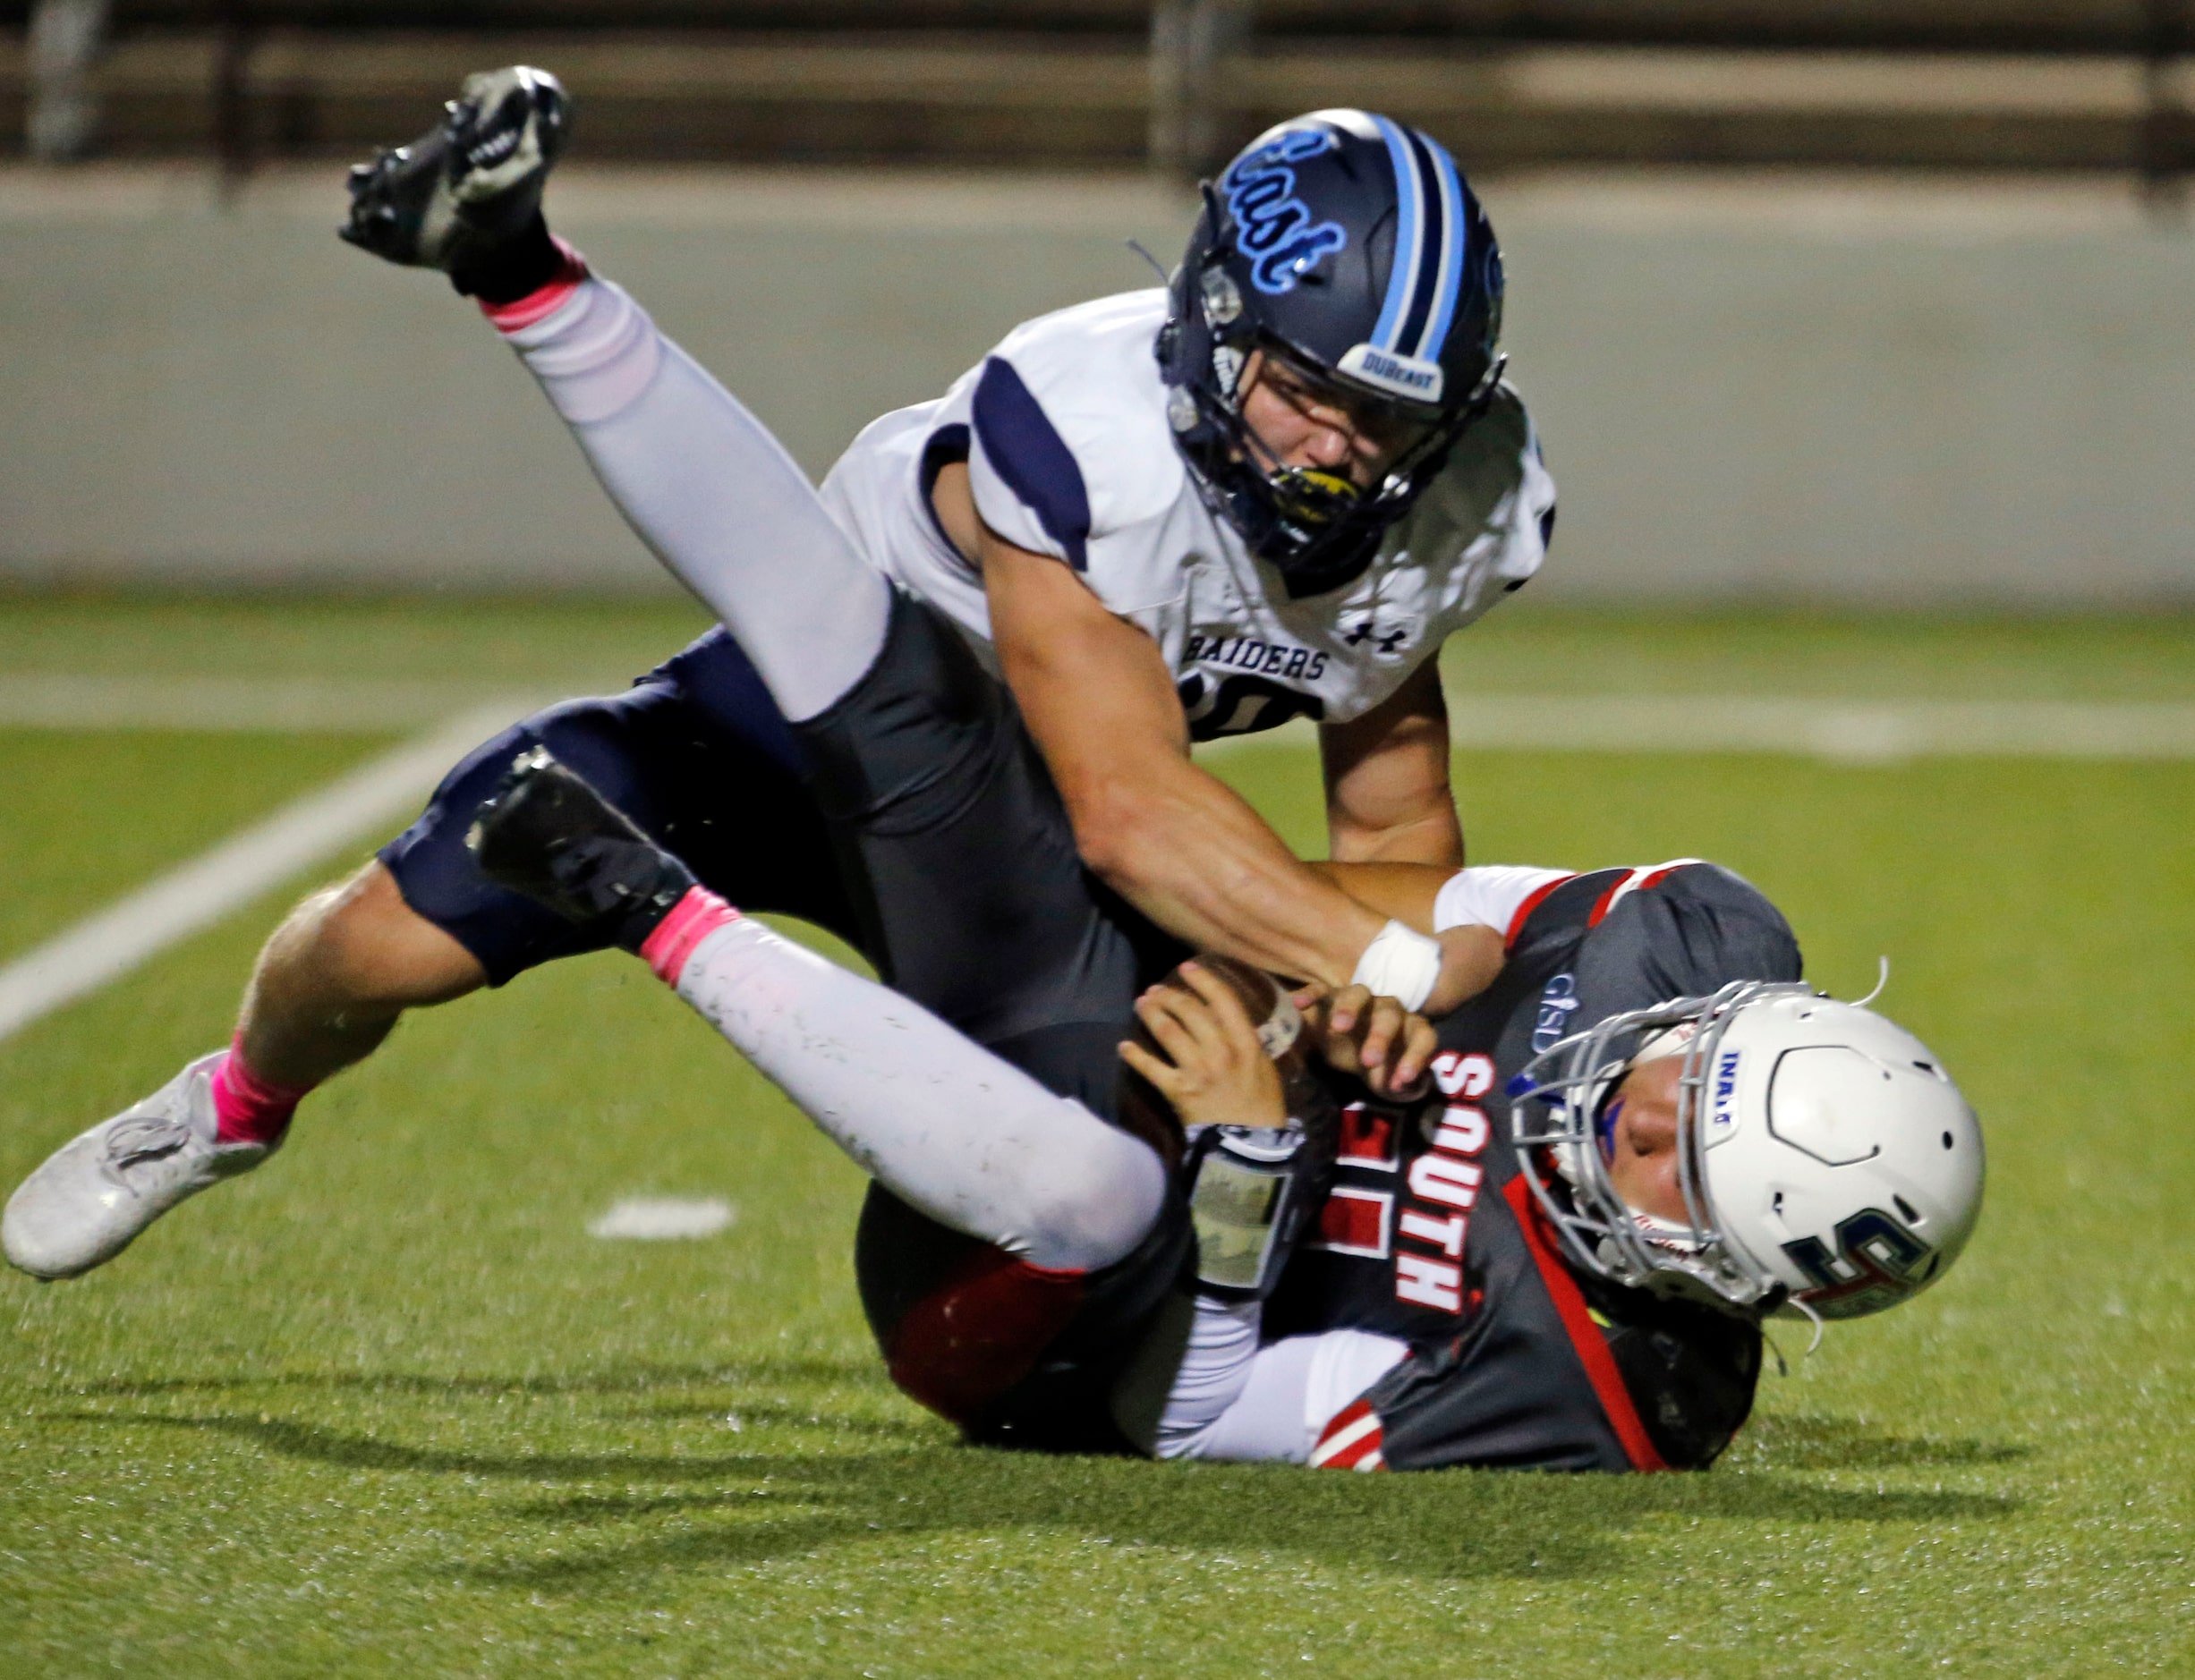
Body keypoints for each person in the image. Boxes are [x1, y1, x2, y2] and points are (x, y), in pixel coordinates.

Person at [6, 68, 1553, 1282]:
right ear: (1216, 330)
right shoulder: (1085, 425)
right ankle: (226, 1109)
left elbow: (1401, 835)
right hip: (812, 733)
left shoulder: (1460, 506)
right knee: (372, 950)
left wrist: (1344, 993)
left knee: (1126, 1179)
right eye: (1307, 393)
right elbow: (1132, 808)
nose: (1343, 451)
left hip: (1012, 870)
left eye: (1388, 422)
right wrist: (1382, 965)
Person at [457, 743, 1985, 1471]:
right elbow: (1454, 902)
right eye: (1679, 1085)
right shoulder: (1699, 936)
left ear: (1721, 1275)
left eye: (1673, 1175)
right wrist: (1361, 980)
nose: (1633, 1122)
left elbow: (1180, 1423)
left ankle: (650, 904)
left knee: (1090, 1177)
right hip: (1221, 1027)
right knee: (1081, 851)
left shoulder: (1595, 1393)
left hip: (1066, 1309)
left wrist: (1251, 1153)